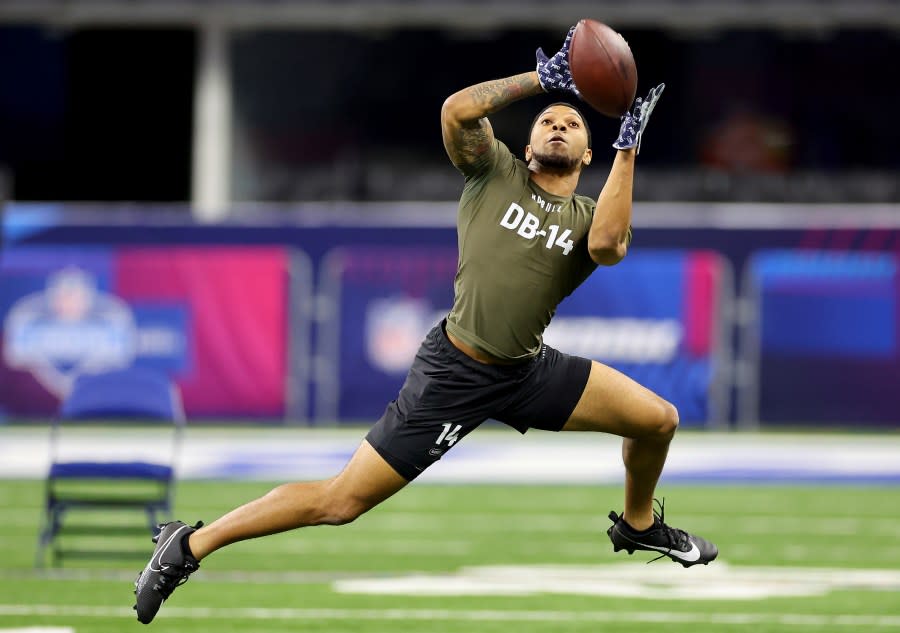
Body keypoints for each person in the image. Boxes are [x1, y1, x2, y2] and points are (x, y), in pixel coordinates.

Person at [133, 26, 717, 625]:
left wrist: (628, 147)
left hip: (527, 370)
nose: (559, 124)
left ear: (588, 153)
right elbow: (457, 111)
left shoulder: (588, 212)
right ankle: (187, 545)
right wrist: (540, 80)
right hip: (457, 371)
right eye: (548, 119)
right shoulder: (495, 171)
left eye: (573, 123)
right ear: (529, 138)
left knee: (658, 420)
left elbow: (610, 245)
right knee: (341, 502)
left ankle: (639, 525)